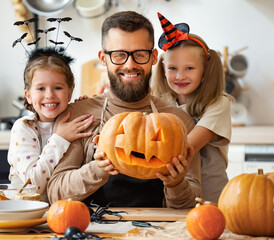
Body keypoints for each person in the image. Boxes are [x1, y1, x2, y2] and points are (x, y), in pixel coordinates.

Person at [47, 11, 202, 208]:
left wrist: (176, 183)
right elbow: (55, 194)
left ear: (154, 57)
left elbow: (193, 204)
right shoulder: (77, 116)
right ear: (103, 58)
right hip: (95, 232)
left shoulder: (178, 121)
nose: (130, 65)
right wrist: (97, 169)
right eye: (119, 55)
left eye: (140, 54)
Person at [151, 13, 233, 203]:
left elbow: (184, 148)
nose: (180, 76)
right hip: (172, 200)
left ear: (205, 69)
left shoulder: (218, 104)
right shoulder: (159, 103)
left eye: (189, 68)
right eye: (172, 68)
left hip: (210, 200)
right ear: (163, 69)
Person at [7, 47, 94, 201]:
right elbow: (33, 183)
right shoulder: (24, 128)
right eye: (41, 88)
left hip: (65, 210)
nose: (49, 95)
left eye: (58, 88)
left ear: (70, 92)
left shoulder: (75, 123)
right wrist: (60, 138)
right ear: (28, 95)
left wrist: (85, 109)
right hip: (24, 212)